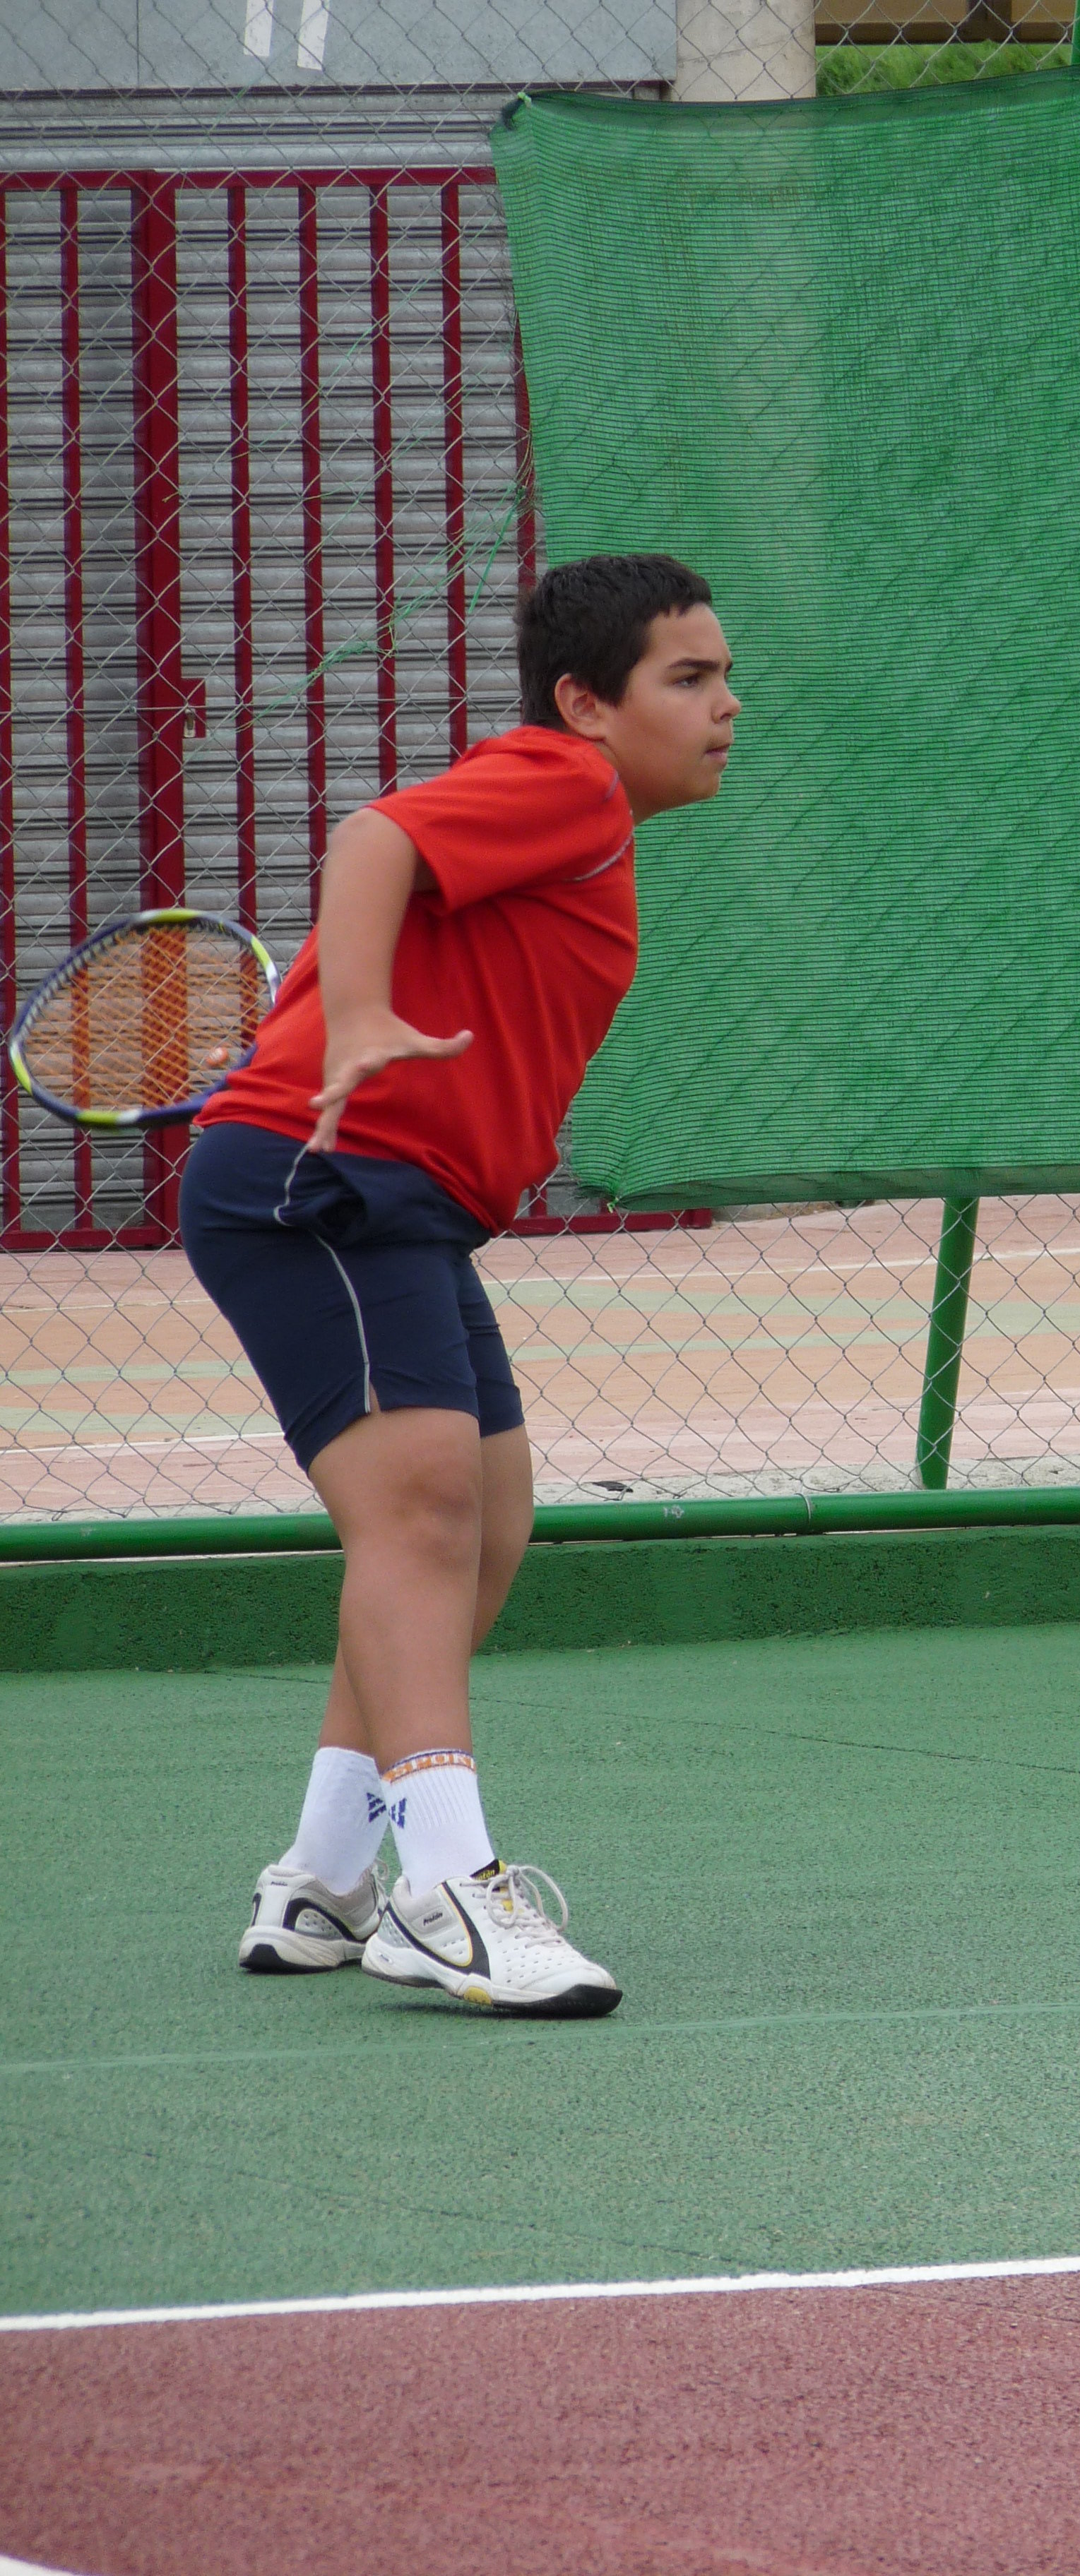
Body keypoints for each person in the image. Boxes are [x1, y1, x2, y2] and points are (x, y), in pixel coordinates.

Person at [179, 554, 739, 2019]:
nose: (725, 706)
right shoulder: (567, 782)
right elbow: (376, 838)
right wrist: (359, 1009)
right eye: (687, 679)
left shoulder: (582, 826)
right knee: (421, 1518)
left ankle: (324, 1878)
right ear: (586, 702)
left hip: (397, 1201)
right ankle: (446, 1888)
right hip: (330, 1182)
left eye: (725, 677)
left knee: (481, 1521)